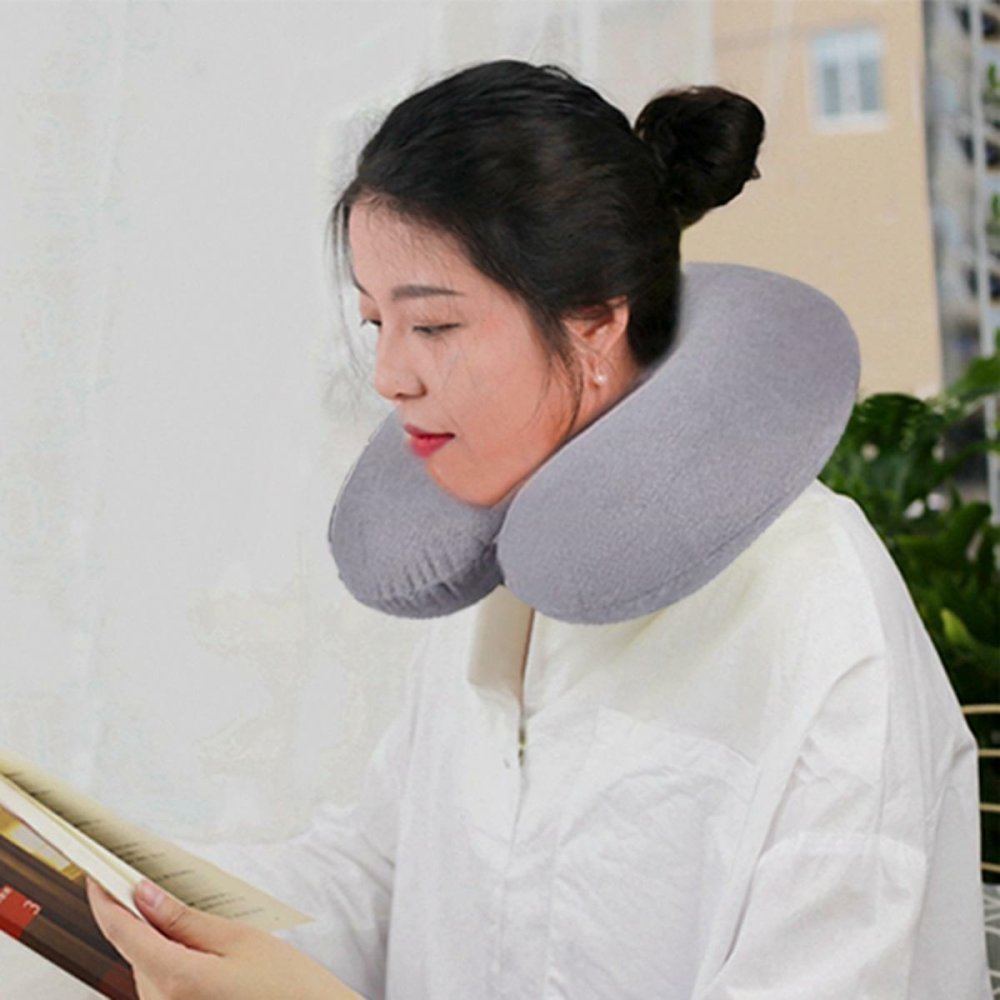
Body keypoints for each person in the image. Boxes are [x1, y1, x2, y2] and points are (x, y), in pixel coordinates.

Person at [87, 60, 991, 999]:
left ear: (595, 322)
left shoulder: (818, 615)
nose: (388, 376)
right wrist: (128, 885)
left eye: (433, 326)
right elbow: (384, 878)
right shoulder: (502, 560)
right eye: (374, 323)